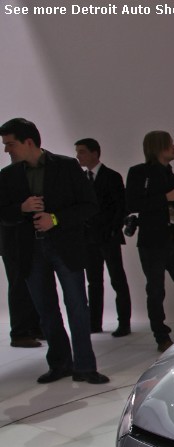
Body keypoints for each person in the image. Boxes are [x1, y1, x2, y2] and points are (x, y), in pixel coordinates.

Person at [0, 118, 109, 384]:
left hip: (65, 247)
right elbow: (3, 214)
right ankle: (60, 363)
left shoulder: (67, 166)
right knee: (45, 309)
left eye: (10, 144)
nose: (6, 150)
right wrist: (22, 209)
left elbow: (89, 205)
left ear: (28, 142)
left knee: (77, 306)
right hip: (30, 250)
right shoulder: (8, 175)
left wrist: (56, 219)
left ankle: (85, 367)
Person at [126, 131, 174, 352]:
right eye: (170, 144)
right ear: (159, 146)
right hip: (151, 242)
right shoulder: (139, 173)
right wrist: (165, 198)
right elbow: (131, 204)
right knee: (155, 290)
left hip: (173, 241)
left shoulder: (171, 174)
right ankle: (161, 336)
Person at [75, 137, 131, 336]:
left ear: (95, 153)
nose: (78, 156)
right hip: (89, 238)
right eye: (77, 152)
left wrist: (113, 229)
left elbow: (120, 206)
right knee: (93, 281)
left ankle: (124, 322)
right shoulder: (81, 179)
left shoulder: (111, 176)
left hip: (108, 236)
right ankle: (94, 322)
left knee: (117, 279)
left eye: (82, 151)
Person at [1, 220, 42, 348]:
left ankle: (34, 328)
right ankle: (20, 333)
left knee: (32, 282)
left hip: (24, 235)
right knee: (19, 284)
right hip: (13, 236)